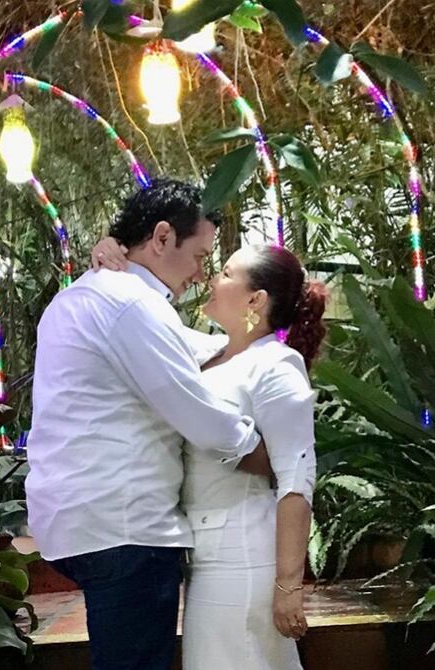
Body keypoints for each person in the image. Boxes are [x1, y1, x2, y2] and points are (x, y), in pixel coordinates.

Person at [26, 178, 271, 670]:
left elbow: (189, 350)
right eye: (200, 256)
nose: (201, 275)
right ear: (162, 237)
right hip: (126, 527)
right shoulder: (130, 304)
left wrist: (265, 336)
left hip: (80, 523)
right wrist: (274, 458)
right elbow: (197, 412)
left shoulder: (84, 295)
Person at [93, 239, 327, 669]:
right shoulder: (208, 352)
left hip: (243, 559)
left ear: (255, 300)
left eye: (225, 274)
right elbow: (145, 330)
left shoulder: (276, 364)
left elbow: (297, 478)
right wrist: (114, 260)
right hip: (204, 558)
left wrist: (288, 586)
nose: (210, 279)